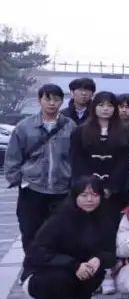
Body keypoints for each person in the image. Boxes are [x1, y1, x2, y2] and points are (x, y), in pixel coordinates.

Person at [6, 84, 76, 279]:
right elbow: (13, 157)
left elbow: (76, 156)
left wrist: (73, 181)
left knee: (59, 232)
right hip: (32, 188)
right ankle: (31, 269)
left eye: (56, 99)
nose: (52, 103)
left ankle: (55, 270)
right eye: (47, 98)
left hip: (61, 189)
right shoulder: (25, 126)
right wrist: (19, 181)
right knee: (30, 231)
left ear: (62, 101)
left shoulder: (70, 126)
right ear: (40, 100)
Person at [22, 176, 116, 299]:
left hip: (83, 269)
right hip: (49, 271)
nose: (90, 200)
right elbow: (37, 252)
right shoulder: (60, 219)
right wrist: (73, 265)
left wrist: (99, 259)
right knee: (60, 279)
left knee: (95, 273)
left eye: (94, 195)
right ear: (75, 196)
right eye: (84, 195)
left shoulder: (105, 219)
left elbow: (111, 253)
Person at [70, 91, 129, 288]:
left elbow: (124, 163)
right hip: (87, 192)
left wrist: (111, 187)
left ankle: (109, 271)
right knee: (88, 231)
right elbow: (77, 161)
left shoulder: (124, 131)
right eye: (101, 105)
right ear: (94, 107)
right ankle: (91, 272)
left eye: (110, 105)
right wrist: (89, 188)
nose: (105, 109)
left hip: (114, 193)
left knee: (110, 230)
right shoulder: (80, 132)